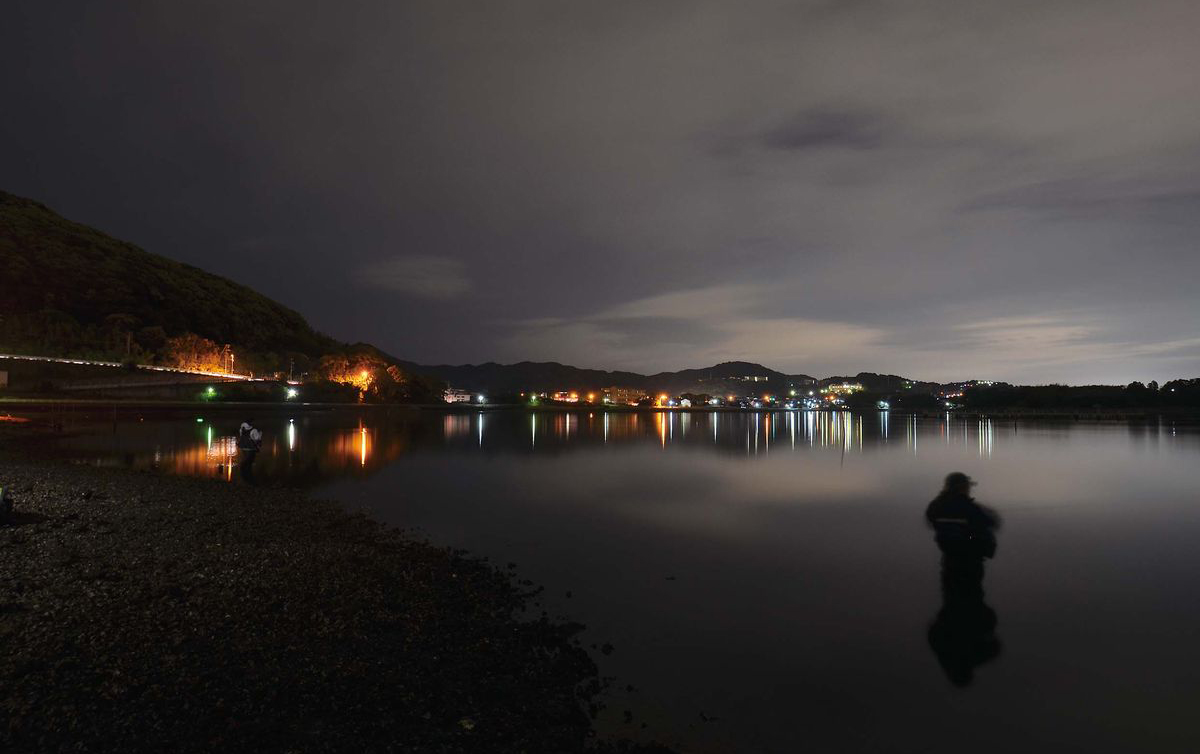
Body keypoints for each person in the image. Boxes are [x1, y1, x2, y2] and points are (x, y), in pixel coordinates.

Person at [925, 472, 1003, 686]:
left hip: (949, 563)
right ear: (961, 487)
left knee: (952, 596)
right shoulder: (969, 509)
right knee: (971, 596)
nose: (969, 489)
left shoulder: (936, 506)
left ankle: (956, 613)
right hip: (970, 563)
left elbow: (932, 634)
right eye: (967, 486)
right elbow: (989, 522)